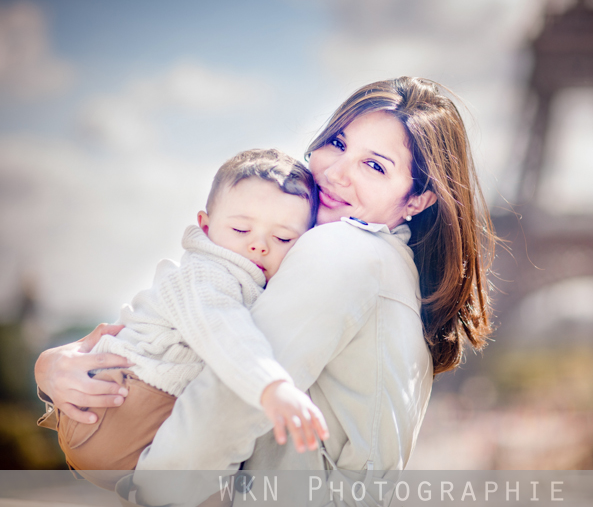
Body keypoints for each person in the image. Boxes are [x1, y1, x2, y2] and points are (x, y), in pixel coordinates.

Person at [35, 76, 495, 503]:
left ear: (417, 198)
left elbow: (228, 401)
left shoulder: (342, 251)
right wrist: (52, 366)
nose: (335, 173)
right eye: (337, 143)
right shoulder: (384, 265)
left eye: (374, 165)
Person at [44, 149, 329, 489]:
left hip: (128, 417)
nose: (259, 246)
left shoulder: (253, 280)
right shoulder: (205, 274)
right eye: (240, 229)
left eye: (283, 238)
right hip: (120, 407)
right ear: (206, 227)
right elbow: (224, 330)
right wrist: (273, 386)